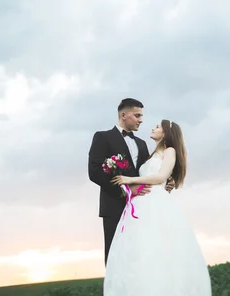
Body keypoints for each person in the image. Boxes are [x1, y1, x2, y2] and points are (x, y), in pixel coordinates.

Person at [104, 119, 212, 295]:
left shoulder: (170, 151)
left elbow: (160, 177)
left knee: (158, 248)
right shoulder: (151, 154)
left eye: (157, 126)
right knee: (138, 251)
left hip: (156, 204)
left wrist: (129, 179)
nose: (153, 128)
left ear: (166, 133)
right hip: (139, 206)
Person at [88, 98, 174, 264]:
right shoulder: (102, 137)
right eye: (137, 115)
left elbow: (147, 171)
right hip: (114, 206)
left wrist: (166, 181)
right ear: (123, 115)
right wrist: (125, 191)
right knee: (116, 257)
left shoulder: (141, 144)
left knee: (139, 256)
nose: (141, 120)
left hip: (142, 208)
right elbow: (94, 172)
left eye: (141, 116)